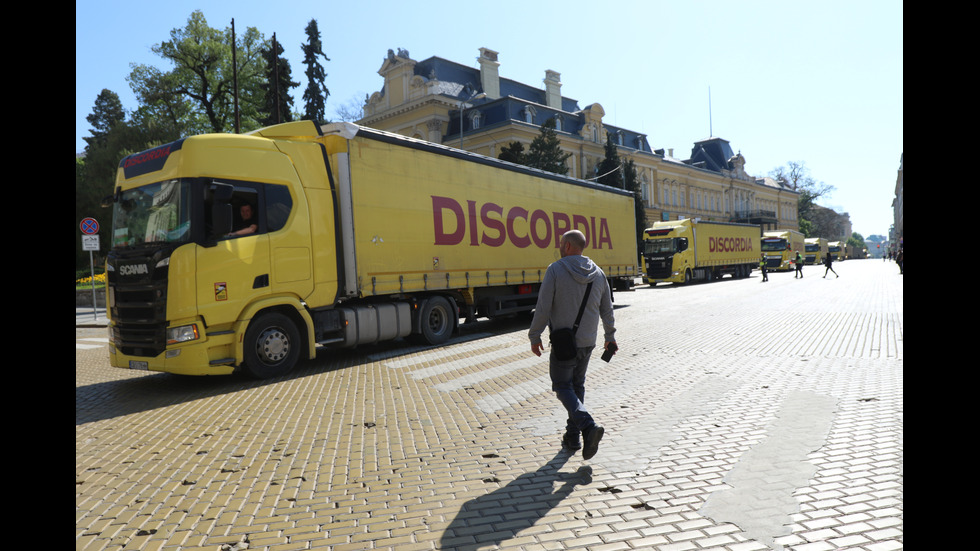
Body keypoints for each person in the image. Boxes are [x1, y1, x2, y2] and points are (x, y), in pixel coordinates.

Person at [529, 230, 616, 461]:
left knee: (562, 386)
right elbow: (607, 308)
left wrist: (534, 335)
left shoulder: (555, 270)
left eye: (560, 243)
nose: (559, 246)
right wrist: (610, 335)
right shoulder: (598, 273)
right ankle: (573, 437)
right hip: (588, 341)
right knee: (577, 386)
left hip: (564, 342)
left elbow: (543, 306)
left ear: (568, 246)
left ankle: (588, 427)